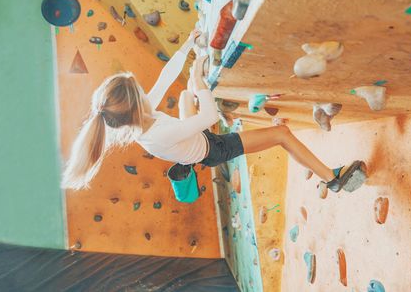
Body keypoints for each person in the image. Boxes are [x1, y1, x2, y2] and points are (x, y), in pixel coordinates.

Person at [61, 31, 365, 193]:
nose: (144, 88)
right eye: (138, 88)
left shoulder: (140, 114)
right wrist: (198, 83)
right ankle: (332, 179)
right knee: (281, 134)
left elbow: (166, 77)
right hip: (212, 149)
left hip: (190, 142)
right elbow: (207, 119)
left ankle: (197, 93)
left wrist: (188, 47)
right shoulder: (156, 131)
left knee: (182, 95)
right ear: (135, 103)